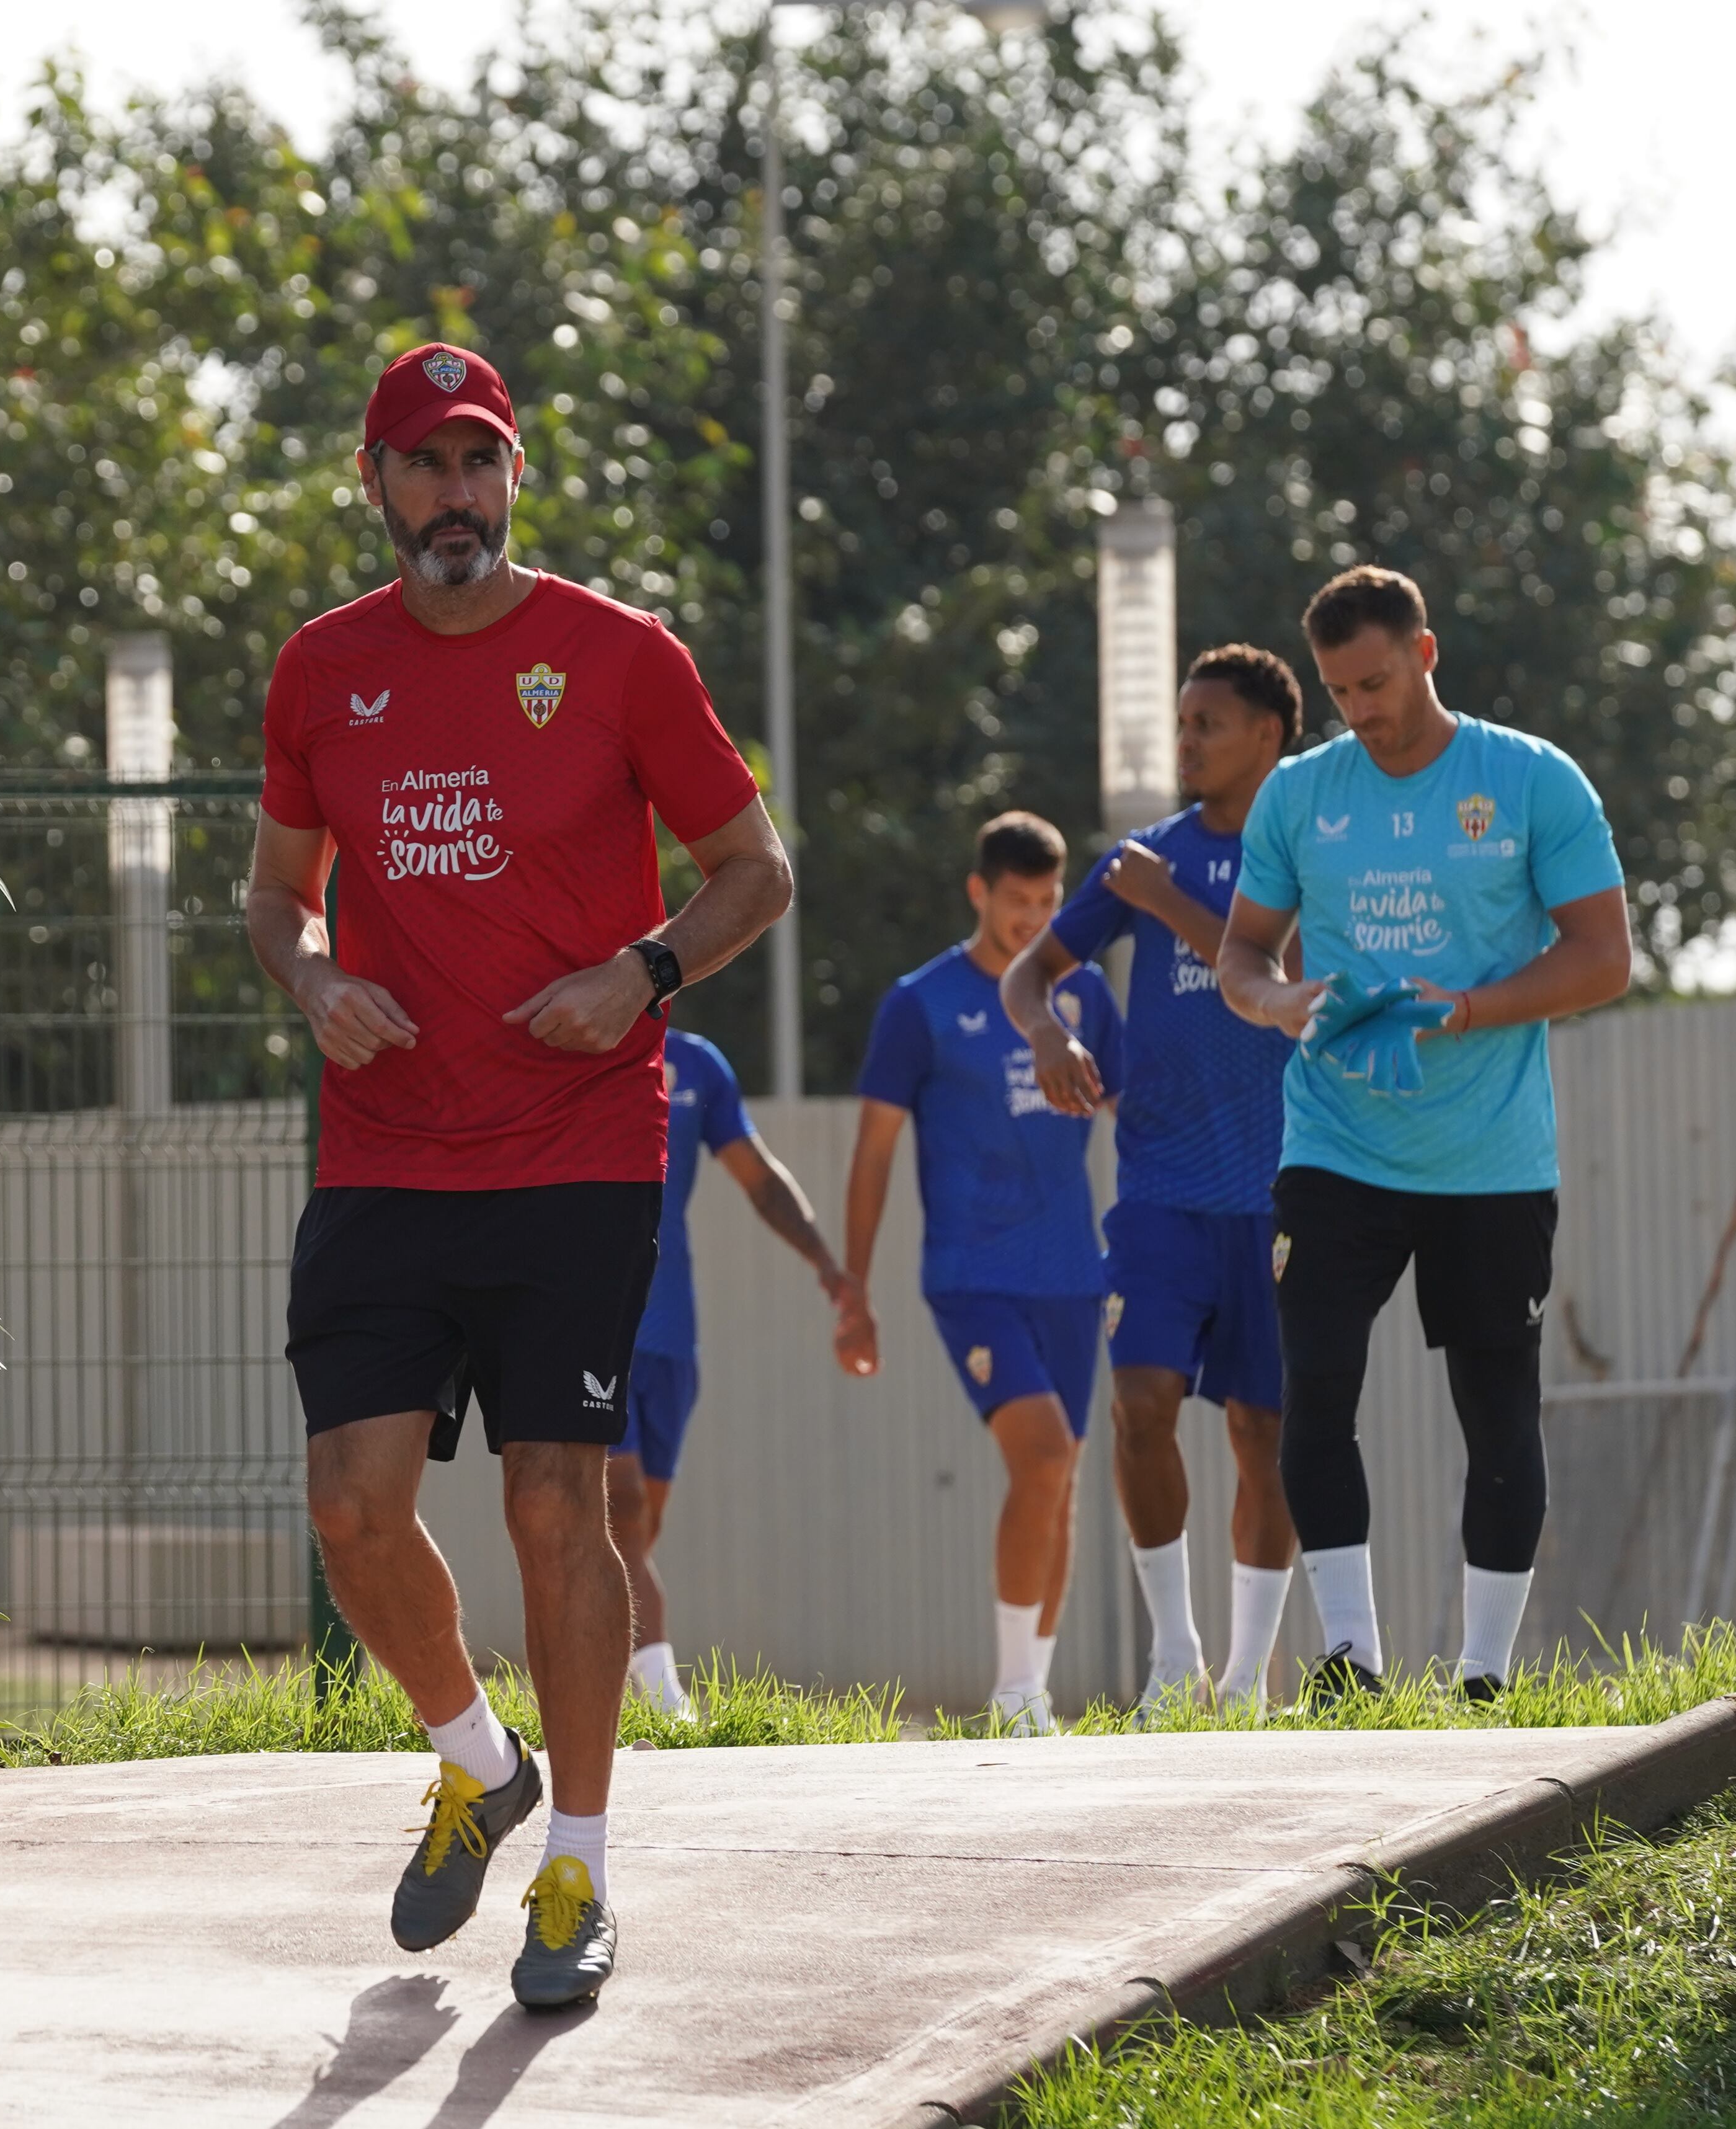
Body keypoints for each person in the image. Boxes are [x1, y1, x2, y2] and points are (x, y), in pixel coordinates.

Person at [246, 342, 788, 2009]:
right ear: (375, 487)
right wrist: (317, 978)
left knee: (558, 1502)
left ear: (513, 477)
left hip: (573, 1147)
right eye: (422, 465)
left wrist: (642, 971)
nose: (453, 496)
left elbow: (752, 871)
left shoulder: (617, 657)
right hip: (390, 1155)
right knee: (349, 1505)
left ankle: (577, 1874)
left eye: (478, 461)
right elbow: (276, 896)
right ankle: (480, 1767)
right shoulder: (320, 671)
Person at [1215, 566, 1629, 1706]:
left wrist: (1469, 1005)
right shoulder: (1300, 797)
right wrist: (1274, 1001)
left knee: (1497, 1407)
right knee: (1316, 1384)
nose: (1363, 709)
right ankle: (1350, 1655)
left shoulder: (1531, 778)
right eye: (1342, 690)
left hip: (1491, 1157)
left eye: (1378, 681)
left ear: (1426, 653)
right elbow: (1241, 953)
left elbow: (1604, 956)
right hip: (1336, 1143)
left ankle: (1485, 1672)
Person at [1000, 646, 1305, 1715]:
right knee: (1139, 1405)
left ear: (1267, 734)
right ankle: (1174, 1659)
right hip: (1160, 1191)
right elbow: (1027, 969)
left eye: (1205, 725)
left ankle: (1246, 1677)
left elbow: (1289, 972)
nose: (1182, 743)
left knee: (1265, 1431)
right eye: (1178, 723)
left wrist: (1170, 905)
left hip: (1280, 1191)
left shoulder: (1304, 843)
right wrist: (1045, 1033)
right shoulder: (1144, 856)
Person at [839, 813, 1123, 1735]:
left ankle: (1030, 1696)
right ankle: (1008, 1695)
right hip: (969, 1272)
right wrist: (854, 1287)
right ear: (979, 892)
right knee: (1040, 1452)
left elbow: (1136, 1107)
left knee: (1062, 1473)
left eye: (1048, 902)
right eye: (1016, 902)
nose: (1031, 919)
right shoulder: (919, 1004)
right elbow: (874, 1152)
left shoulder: (1081, 996)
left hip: (1072, 1272)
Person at [614, 1028, 860, 1723]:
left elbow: (757, 1177)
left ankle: (601, 1685)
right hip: (591, 1320)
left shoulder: (699, 1063)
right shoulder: (572, 1039)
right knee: (621, 1507)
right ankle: (666, 1703)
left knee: (639, 1525)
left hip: (671, 1332)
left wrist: (825, 1264)